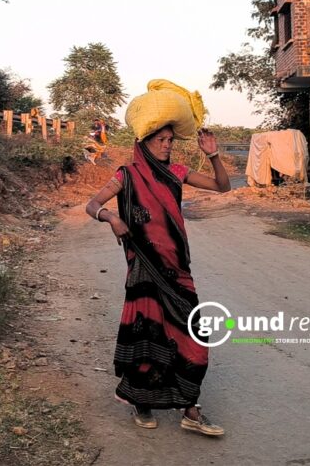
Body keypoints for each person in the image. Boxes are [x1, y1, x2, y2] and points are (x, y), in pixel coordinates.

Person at [85, 125, 231, 436]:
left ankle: (190, 408)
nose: (167, 145)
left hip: (176, 267)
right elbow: (93, 205)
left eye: (170, 140)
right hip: (143, 266)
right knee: (147, 334)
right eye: (160, 140)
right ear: (144, 143)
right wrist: (111, 218)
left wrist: (213, 154)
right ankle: (142, 401)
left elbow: (222, 186)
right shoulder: (126, 174)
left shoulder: (177, 171)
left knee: (194, 337)